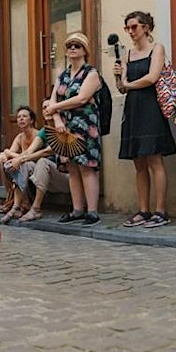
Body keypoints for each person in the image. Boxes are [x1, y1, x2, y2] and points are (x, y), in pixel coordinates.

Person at [113, 11, 176, 228]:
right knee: (138, 162)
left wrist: (128, 84)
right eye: (127, 28)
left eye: (134, 27)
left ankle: (161, 210)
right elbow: (121, 86)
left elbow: (152, 77)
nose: (131, 32)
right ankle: (143, 210)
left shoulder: (157, 48)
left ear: (146, 28)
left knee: (154, 159)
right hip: (133, 109)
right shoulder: (127, 55)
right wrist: (118, 77)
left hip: (151, 107)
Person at [44, 32, 103, 227]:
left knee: (86, 167)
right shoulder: (62, 75)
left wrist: (55, 109)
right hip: (65, 127)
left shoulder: (91, 74)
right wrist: (57, 119)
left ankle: (92, 211)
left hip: (85, 125)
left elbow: (82, 98)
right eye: (69, 46)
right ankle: (77, 209)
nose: (72, 49)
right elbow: (53, 100)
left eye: (77, 46)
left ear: (85, 50)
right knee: (72, 167)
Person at [1, 106, 71, 224]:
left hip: (67, 178)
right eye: (44, 108)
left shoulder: (63, 128)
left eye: (50, 107)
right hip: (45, 179)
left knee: (42, 162)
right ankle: (16, 206)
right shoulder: (44, 131)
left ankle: (36, 209)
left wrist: (18, 158)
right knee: (25, 164)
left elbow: (46, 152)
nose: (47, 110)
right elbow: (29, 152)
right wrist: (15, 158)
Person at [0, 106, 39, 222]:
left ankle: (21, 204)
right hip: (24, 165)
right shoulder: (19, 137)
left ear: (31, 120)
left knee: (21, 165)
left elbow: (28, 156)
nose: (21, 119)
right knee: (5, 163)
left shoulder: (37, 135)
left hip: (37, 166)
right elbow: (11, 154)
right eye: (19, 117)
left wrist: (9, 153)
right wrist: (4, 155)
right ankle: (12, 200)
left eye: (24, 116)